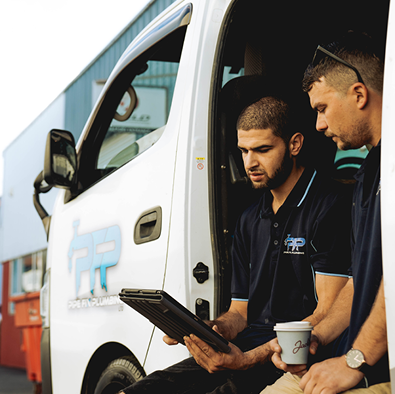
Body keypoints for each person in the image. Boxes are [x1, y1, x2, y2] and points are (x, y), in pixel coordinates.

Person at [120, 93, 352, 394]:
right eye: (243, 151)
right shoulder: (249, 218)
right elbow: (240, 312)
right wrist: (214, 330)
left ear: (294, 144)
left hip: (293, 357)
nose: (250, 162)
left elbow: (327, 314)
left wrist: (248, 359)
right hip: (243, 349)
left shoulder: (330, 204)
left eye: (262, 149)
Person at [262, 32, 390, 394]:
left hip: (386, 370)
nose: (318, 124)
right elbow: (357, 283)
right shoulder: (366, 176)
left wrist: (355, 361)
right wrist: (314, 337)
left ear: (359, 95)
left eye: (322, 108)